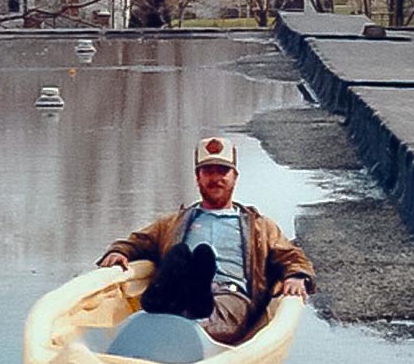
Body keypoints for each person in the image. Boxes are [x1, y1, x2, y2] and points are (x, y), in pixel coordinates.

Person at [98, 136, 315, 344]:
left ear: (234, 177)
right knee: (179, 255)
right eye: (208, 172)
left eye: (222, 171)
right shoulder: (173, 223)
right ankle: (167, 302)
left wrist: (296, 276)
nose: (215, 178)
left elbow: (291, 255)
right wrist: (118, 252)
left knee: (201, 286)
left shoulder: (260, 227)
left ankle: (192, 307)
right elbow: (138, 241)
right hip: (179, 292)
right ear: (198, 177)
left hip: (229, 296)